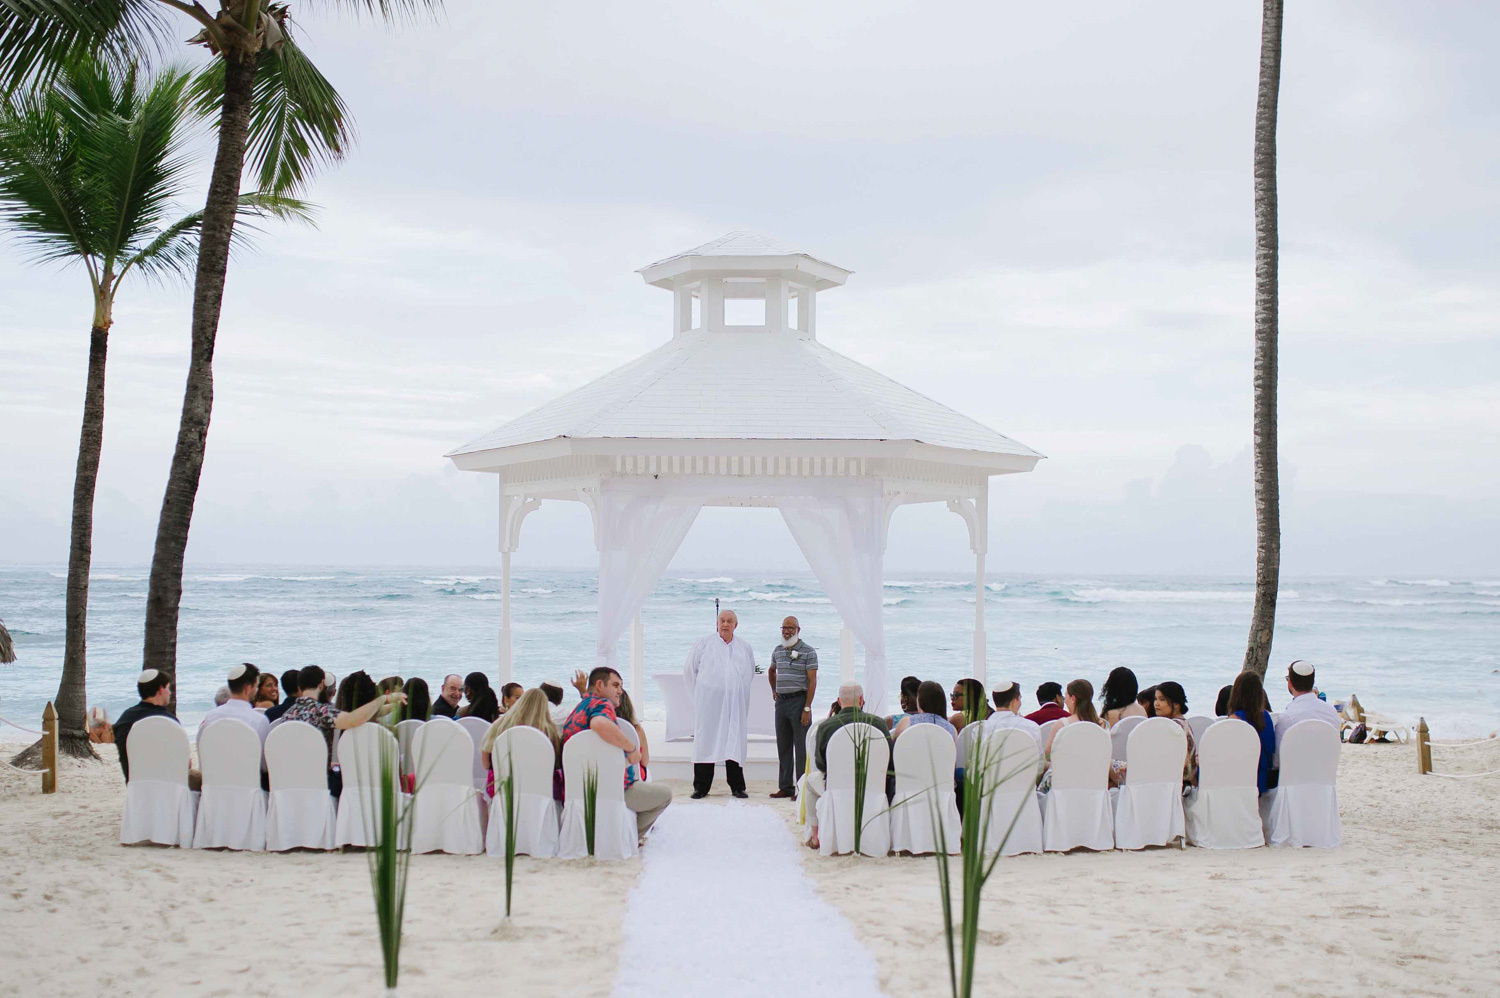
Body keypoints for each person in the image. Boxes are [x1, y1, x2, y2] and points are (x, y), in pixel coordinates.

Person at [561, 667, 673, 837]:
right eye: (615, 685)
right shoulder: (602, 704)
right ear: (599, 685)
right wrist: (632, 749)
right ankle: (626, 836)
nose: (620, 691)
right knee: (665, 794)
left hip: (578, 790)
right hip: (612, 790)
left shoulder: (579, 709)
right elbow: (599, 724)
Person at [282, 665, 404, 795]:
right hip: (320, 783)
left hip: (289, 782)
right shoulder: (322, 712)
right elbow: (353, 719)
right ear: (322, 684)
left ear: (299, 687)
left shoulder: (287, 715)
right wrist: (383, 699)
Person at [804, 683, 892, 850]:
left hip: (837, 788)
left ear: (838, 701)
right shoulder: (879, 724)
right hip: (872, 786)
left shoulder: (826, 727)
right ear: (861, 700)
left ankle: (815, 835)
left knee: (810, 782)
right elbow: (889, 759)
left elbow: (821, 764)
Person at [684, 609, 756, 799]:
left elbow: (749, 674)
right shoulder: (704, 644)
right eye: (722, 620)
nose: (725, 624)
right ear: (717, 623)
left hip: (735, 705)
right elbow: (690, 671)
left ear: (735, 625)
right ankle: (701, 786)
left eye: (729, 621)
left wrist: (737, 693)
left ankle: (737, 786)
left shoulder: (744, 647)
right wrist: (700, 696)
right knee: (706, 741)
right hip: (709, 706)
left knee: (734, 742)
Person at [113, 669, 195, 786]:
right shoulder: (169, 721)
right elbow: (186, 763)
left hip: (135, 785)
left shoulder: (125, 719)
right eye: (168, 688)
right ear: (161, 690)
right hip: (169, 786)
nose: (170, 693)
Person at [769, 615, 819, 800]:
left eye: (791, 627)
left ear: (798, 630)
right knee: (783, 746)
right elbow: (771, 670)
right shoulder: (777, 650)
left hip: (799, 702)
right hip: (781, 703)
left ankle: (802, 789)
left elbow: (812, 681)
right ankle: (785, 787)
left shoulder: (808, 651)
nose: (787, 630)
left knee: (801, 748)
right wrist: (774, 690)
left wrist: (807, 707)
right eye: (784, 627)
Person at [481, 688, 562, 797]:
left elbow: (486, 764)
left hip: (501, 790)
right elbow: (555, 764)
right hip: (538, 791)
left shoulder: (499, 725)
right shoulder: (549, 730)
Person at [197, 663, 271, 747]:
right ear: (248, 689)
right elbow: (264, 755)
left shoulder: (211, 716)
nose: (256, 690)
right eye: (256, 686)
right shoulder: (259, 720)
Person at [1226, 671, 1276, 794]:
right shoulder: (1266, 717)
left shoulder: (1235, 720)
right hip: (1260, 778)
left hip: (1239, 778)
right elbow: (1270, 749)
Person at [1274, 660, 1340, 750]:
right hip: (1326, 763)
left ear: (1290, 683)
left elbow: (1277, 757)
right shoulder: (1331, 712)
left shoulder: (1287, 718)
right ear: (1312, 682)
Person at [1043, 679, 1105, 757]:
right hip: (1095, 768)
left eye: (1066, 697)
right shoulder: (1102, 724)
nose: (1064, 701)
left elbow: (1047, 755)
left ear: (1073, 699)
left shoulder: (1062, 724)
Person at [1150, 681, 1197, 785]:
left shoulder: (1173, 727)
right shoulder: (1183, 723)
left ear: (1176, 705)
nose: (1156, 704)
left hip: (1176, 783)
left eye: (1162, 700)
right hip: (1185, 781)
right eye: (1155, 699)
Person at [982, 680, 1045, 754]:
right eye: (1020, 699)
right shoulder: (1031, 727)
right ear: (1014, 702)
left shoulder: (980, 729)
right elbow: (1039, 759)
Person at [892, 681, 957, 740]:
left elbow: (895, 748)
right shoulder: (952, 730)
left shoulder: (906, 722)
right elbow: (953, 752)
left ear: (920, 700)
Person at [617, 690, 649, 782]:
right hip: (634, 776)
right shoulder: (637, 730)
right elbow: (645, 761)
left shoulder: (603, 727)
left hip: (609, 774)